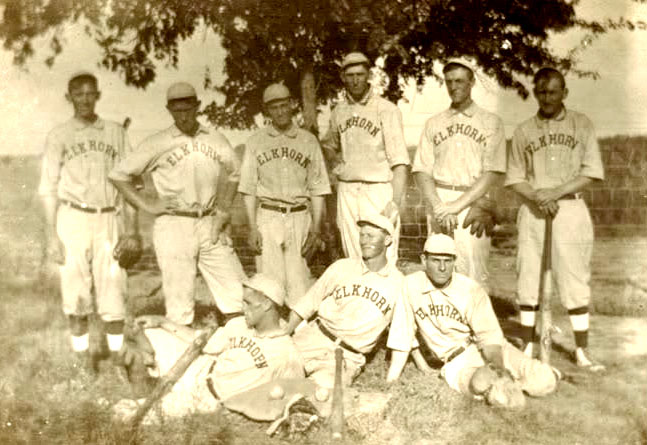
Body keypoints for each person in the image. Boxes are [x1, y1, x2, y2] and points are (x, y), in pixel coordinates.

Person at [109, 82, 246, 326]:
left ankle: (238, 355)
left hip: (209, 222)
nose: (184, 116)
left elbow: (236, 172)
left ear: (197, 107)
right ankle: (178, 356)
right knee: (180, 307)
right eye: (177, 111)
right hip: (174, 224)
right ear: (169, 111)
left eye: (188, 109)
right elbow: (119, 175)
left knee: (239, 296)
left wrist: (224, 210)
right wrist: (149, 205)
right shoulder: (158, 142)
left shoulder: (215, 138)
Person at [505, 67, 605, 371]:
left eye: (553, 91)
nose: (548, 97)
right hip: (534, 209)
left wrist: (555, 192)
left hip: (570, 208)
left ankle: (581, 351)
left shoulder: (581, 125)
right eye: (542, 91)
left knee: (573, 277)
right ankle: (529, 344)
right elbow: (514, 178)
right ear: (535, 92)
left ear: (564, 92)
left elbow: (591, 172)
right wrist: (537, 196)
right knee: (528, 275)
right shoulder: (524, 131)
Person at [38, 71, 139, 373]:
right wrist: (51, 236)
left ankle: (119, 362)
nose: (84, 99)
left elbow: (131, 183)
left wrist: (132, 231)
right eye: (78, 94)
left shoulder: (115, 133)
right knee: (76, 296)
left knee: (114, 294)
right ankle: (83, 364)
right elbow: (48, 189)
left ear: (98, 95)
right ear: (69, 98)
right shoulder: (59, 135)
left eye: (89, 93)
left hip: (109, 218)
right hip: (72, 220)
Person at [386, 234, 558, 407]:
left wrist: (499, 368)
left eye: (448, 260)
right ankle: (504, 387)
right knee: (479, 383)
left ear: (454, 261)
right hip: (456, 362)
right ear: (424, 260)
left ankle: (514, 383)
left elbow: (489, 338)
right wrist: (391, 380)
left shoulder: (470, 289)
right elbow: (402, 334)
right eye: (436, 260)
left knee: (545, 379)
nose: (442, 267)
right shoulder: (411, 285)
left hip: (488, 349)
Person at [126, 274, 304, 418]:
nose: (243, 308)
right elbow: (203, 342)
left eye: (248, 303)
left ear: (267, 305)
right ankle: (143, 385)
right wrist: (162, 321)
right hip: (201, 367)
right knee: (148, 332)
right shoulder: (240, 323)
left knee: (130, 414)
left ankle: (141, 399)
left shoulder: (285, 353)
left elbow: (294, 396)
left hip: (209, 398)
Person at [412, 58, 506, 291]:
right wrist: (438, 206)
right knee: (437, 271)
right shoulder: (434, 123)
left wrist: (464, 206)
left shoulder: (490, 122)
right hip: (439, 203)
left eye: (460, 81)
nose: (454, 87)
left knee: (472, 274)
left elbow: (493, 172)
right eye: (449, 81)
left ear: (472, 82)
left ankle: (473, 327)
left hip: (472, 203)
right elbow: (422, 170)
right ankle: (440, 326)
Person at [282, 213, 405, 389]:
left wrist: (392, 379)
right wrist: (283, 335)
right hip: (313, 337)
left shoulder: (398, 283)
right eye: (362, 235)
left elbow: (403, 332)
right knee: (270, 368)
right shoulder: (343, 267)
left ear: (387, 240)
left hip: (347, 355)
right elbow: (307, 304)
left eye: (371, 235)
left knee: (322, 390)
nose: (364, 240)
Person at [238, 83, 331, 308]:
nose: (280, 112)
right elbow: (248, 189)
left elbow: (318, 188)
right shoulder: (255, 142)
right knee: (269, 283)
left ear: (292, 105)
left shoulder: (308, 140)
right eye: (274, 108)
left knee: (299, 284)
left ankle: (298, 333)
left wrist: (316, 229)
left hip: (299, 216)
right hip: (268, 217)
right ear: (266, 111)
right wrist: (252, 228)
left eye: (283, 106)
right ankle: (273, 333)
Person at [320, 51, 410, 263]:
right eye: (350, 75)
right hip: (348, 190)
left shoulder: (386, 109)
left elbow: (400, 162)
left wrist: (394, 202)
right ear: (343, 77)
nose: (355, 80)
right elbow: (328, 144)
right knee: (353, 255)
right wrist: (336, 162)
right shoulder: (339, 111)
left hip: (378, 189)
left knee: (383, 255)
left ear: (369, 75)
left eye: (360, 74)